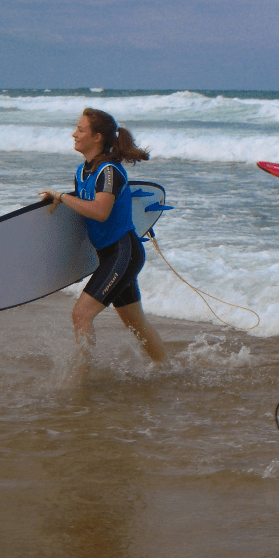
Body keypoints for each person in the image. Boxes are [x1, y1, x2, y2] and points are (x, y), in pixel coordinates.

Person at [40, 108, 167, 379]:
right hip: (111, 255)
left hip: (123, 253)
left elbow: (100, 211)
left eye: (81, 129)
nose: (74, 134)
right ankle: (167, 369)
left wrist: (62, 197)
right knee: (135, 322)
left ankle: (78, 381)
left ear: (97, 137)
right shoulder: (83, 170)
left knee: (81, 315)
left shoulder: (108, 171)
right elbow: (84, 209)